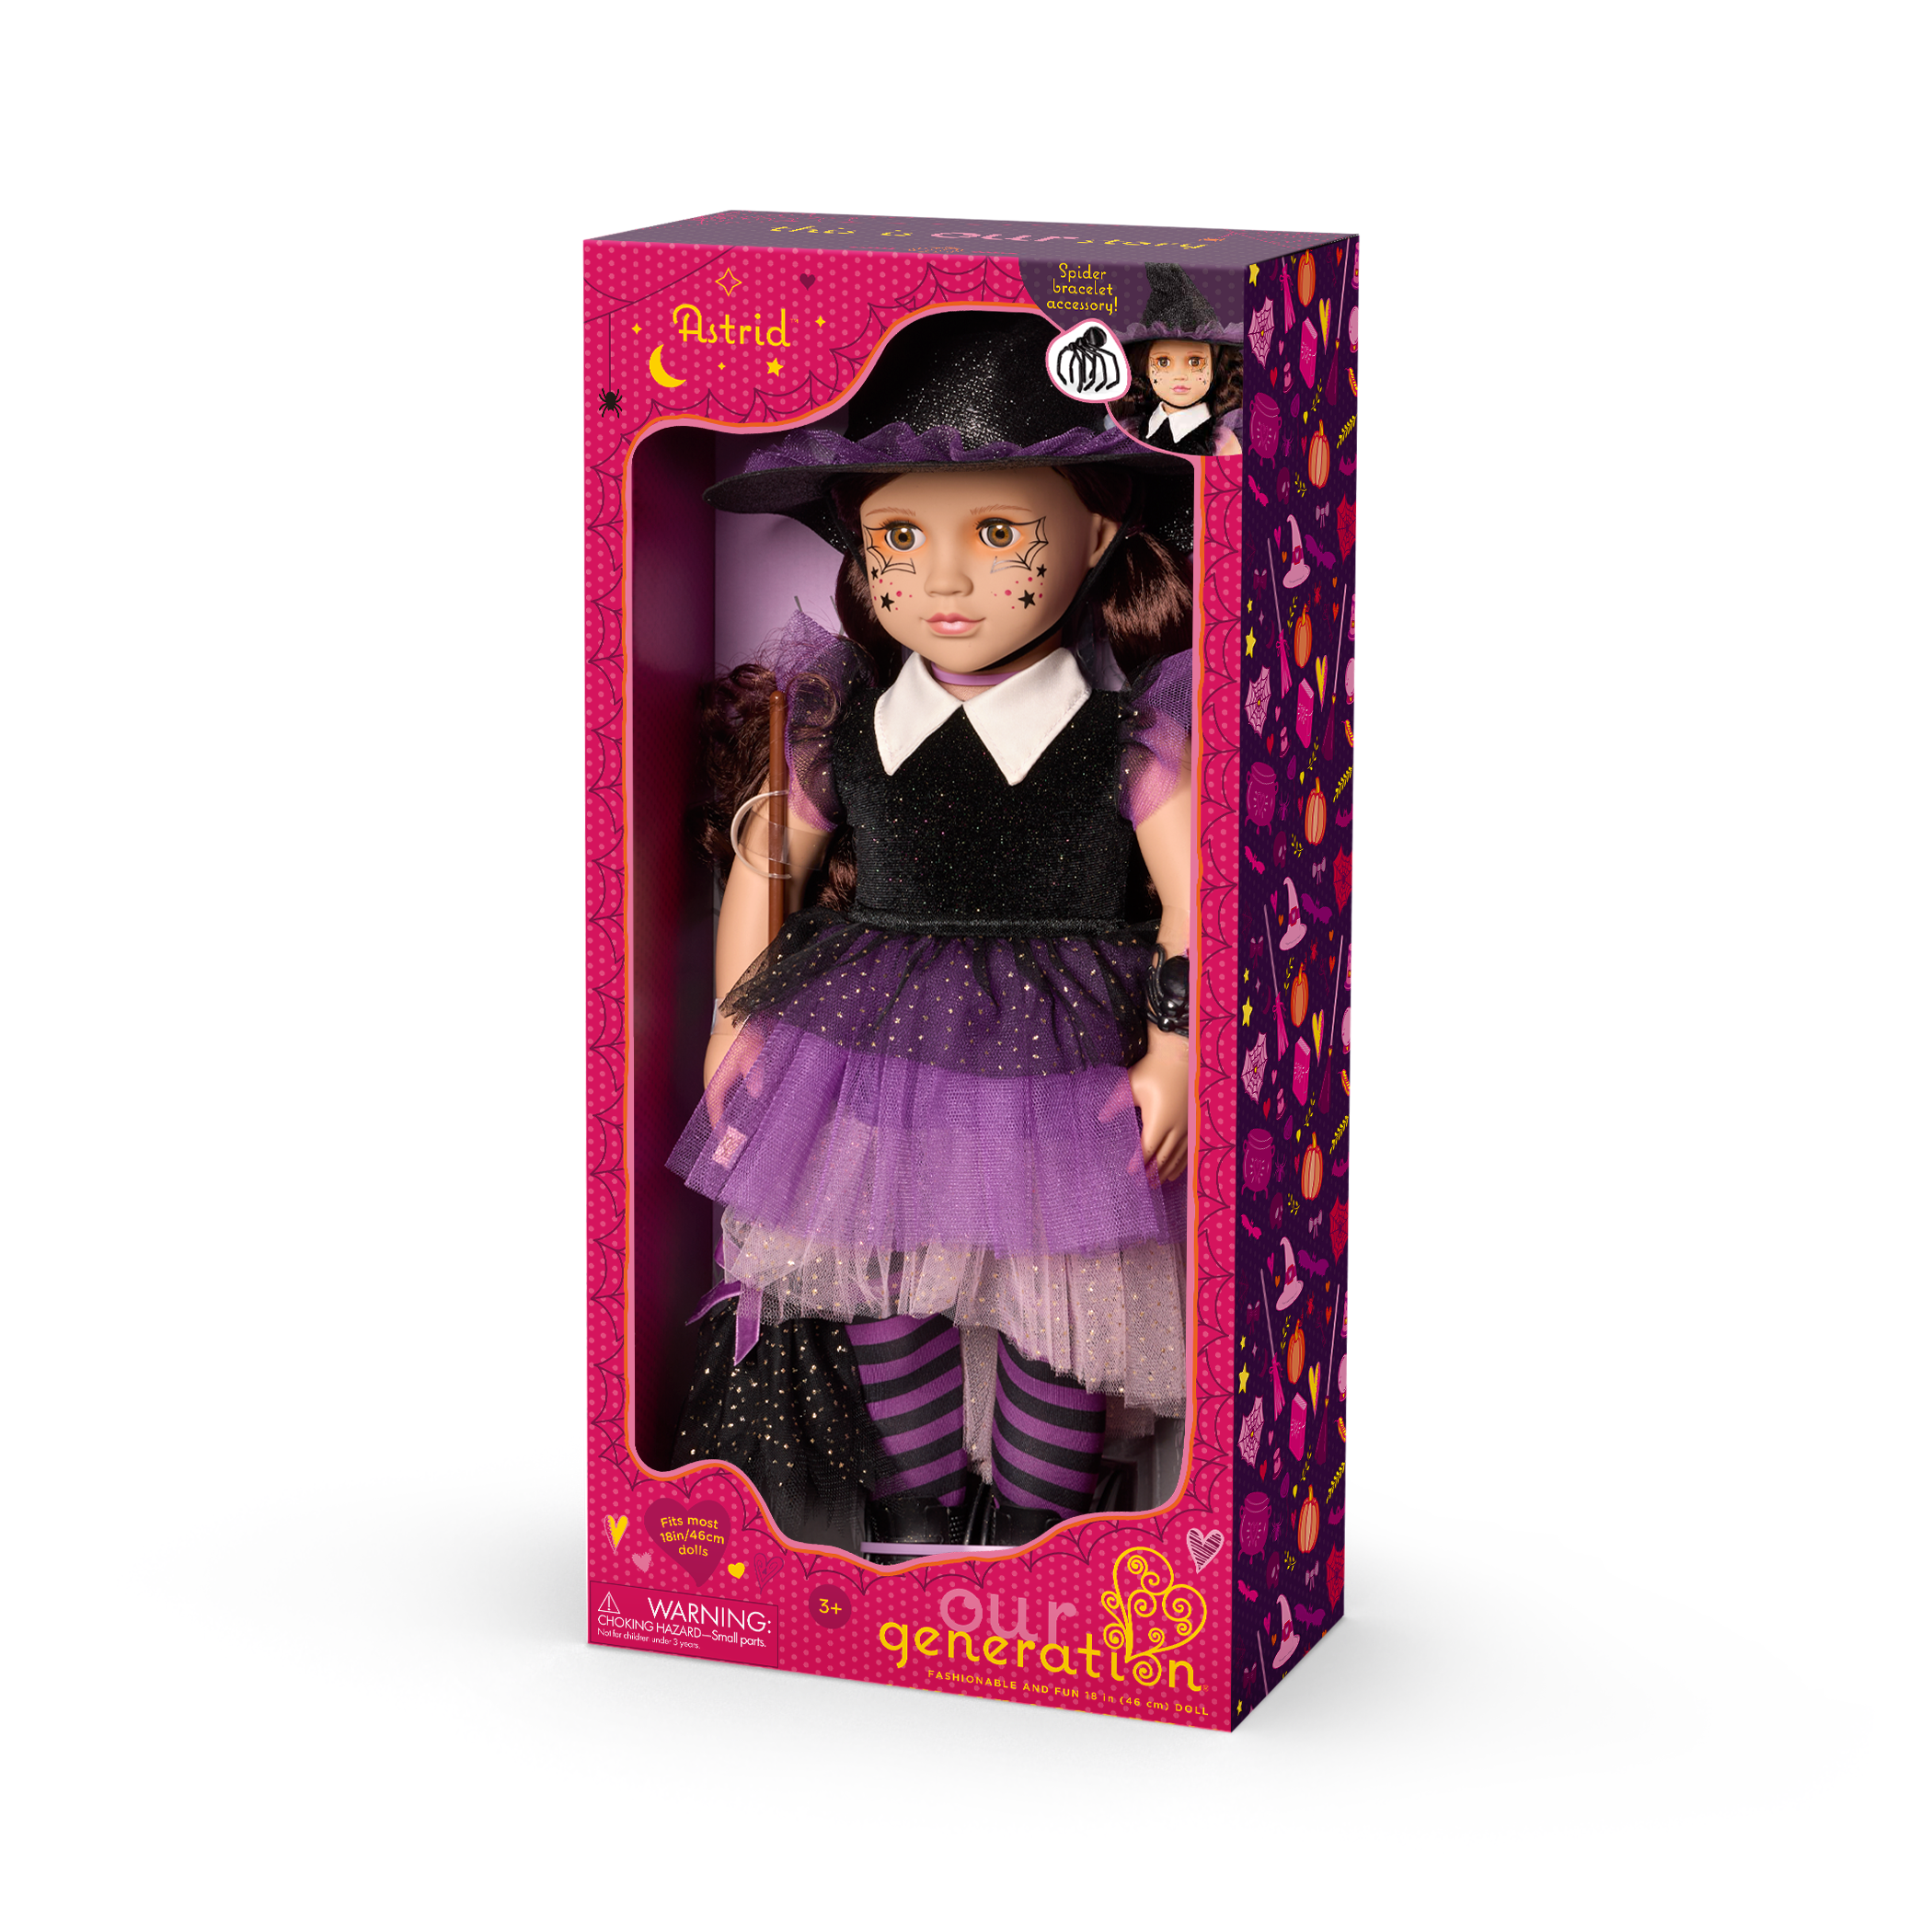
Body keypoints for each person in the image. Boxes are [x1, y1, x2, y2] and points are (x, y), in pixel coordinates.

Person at [667, 310, 1197, 1560]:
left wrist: (1175, 1051)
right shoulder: (843, 723)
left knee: (1058, 1309)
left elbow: (1192, 900)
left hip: (1061, 1065)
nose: (945, 579)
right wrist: (732, 1024)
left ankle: (1034, 1543)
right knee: (874, 1283)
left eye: (998, 533)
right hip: (862, 1053)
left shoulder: (1127, 738)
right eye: (900, 537)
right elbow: (767, 867)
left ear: (1098, 535)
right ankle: (918, 1528)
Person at [1117, 264, 1244, 456]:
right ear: (1146, 367)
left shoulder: (1220, 443)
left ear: (1215, 366)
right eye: (1163, 362)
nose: (1179, 375)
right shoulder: (1132, 431)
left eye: (1195, 362)